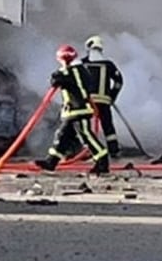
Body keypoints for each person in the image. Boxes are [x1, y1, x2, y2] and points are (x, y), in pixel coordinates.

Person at [36, 45, 111, 175]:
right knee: (62, 135)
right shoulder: (80, 70)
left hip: (79, 110)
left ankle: (102, 161)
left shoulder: (72, 71)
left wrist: (58, 74)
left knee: (86, 136)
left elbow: (56, 80)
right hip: (73, 111)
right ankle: (51, 162)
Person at [80, 36, 125, 156]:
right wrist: (112, 96)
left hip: (86, 101)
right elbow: (119, 81)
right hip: (103, 101)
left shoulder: (82, 64)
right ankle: (114, 150)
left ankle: (87, 150)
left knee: (84, 126)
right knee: (108, 126)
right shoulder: (109, 65)